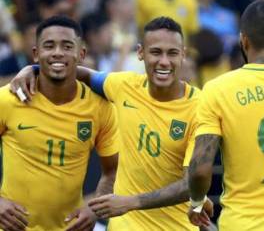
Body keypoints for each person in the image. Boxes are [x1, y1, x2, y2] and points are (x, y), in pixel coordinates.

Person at [10, 16, 214, 231]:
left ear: (183, 54)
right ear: (140, 53)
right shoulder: (123, 85)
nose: (164, 61)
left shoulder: (201, 107)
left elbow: (191, 183)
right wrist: (31, 70)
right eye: (155, 52)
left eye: (172, 53)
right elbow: (80, 73)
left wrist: (131, 202)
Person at [187, 0, 264, 231]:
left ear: (243, 40)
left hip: (241, 224)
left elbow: (199, 170)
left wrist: (197, 203)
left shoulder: (217, 89)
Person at [0, 16, 119, 230]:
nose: (57, 52)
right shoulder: (8, 100)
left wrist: (94, 208)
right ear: (36, 54)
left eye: (67, 46)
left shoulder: (100, 107)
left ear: (81, 54)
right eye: (49, 45)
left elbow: (113, 171)